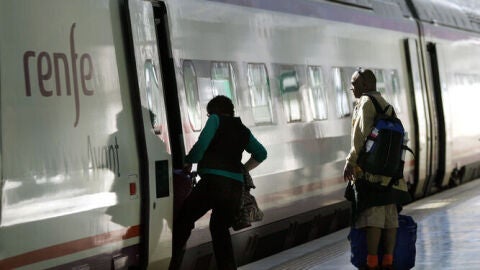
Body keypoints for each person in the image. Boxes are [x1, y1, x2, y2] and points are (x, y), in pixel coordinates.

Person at [169, 95, 267, 270]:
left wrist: (189, 160)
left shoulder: (215, 120)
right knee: (219, 228)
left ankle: (171, 263)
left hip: (213, 183)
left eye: (208, 115)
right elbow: (261, 153)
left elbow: (201, 145)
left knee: (185, 219)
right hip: (235, 188)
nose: (209, 117)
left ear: (214, 112)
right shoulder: (243, 129)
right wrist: (242, 169)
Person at [343, 69, 411, 270]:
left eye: (354, 83)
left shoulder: (364, 103)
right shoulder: (386, 105)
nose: (351, 87)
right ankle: (388, 261)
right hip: (390, 176)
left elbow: (360, 138)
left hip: (371, 175)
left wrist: (350, 161)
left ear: (365, 85)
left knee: (373, 220)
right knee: (390, 219)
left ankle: (372, 262)